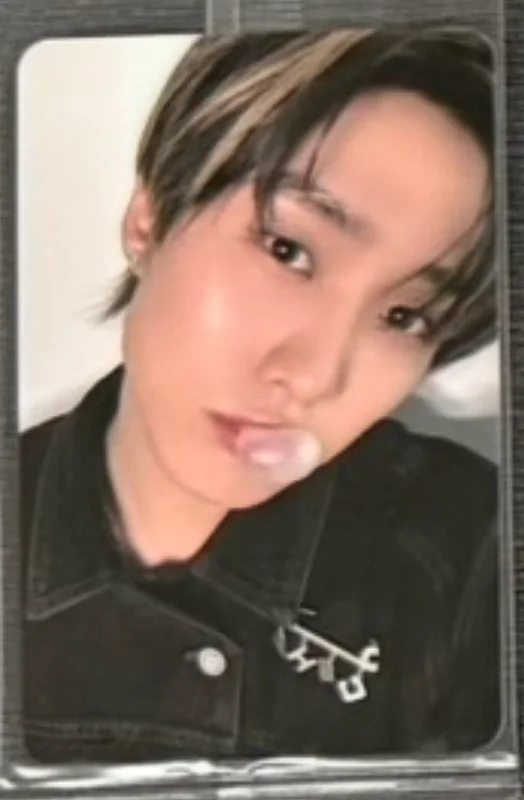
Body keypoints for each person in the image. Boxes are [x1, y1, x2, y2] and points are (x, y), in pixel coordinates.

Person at [21, 24, 500, 764]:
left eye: (404, 316)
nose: (314, 376)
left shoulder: (473, 557)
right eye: (288, 250)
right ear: (151, 221)